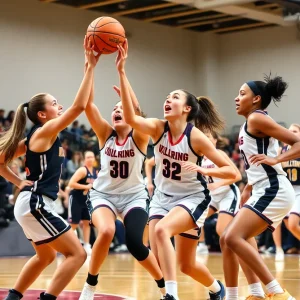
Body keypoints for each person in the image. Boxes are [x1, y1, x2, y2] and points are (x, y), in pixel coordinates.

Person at [116, 43, 236, 300]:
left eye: (174, 97)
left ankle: (170, 295)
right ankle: (217, 290)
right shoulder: (158, 128)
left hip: (192, 197)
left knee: (160, 232)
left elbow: (233, 172)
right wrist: (122, 72)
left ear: (187, 109)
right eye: (167, 97)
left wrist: (204, 171)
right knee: (185, 264)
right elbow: (131, 118)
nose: (168, 100)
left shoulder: (197, 138)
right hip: (162, 197)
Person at [0, 37, 100, 300]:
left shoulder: (36, 137)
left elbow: (1, 161)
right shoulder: (45, 131)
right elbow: (79, 106)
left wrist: (18, 181)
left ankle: (13, 297)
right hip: (36, 203)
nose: (60, 106)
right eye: (55, 103)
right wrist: (90, 67)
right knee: (77, 254)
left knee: (44, 255)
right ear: (42, 114)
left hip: (31, 202)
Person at [79, 41, 166, 300]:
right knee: (105, 232)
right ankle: (90, 285)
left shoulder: (140, 137)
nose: (117, 111)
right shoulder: (104, 134)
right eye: (114, 109)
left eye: (121, 109)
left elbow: (135, 112)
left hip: (133, 197)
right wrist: (90, 67)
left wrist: (122, 71)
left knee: (136, 245)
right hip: (103, 195)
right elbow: (87, 104)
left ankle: (164, 288)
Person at [220, 74, 299, 300]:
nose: (236, 98)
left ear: (256, 99)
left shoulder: (257, 118)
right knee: (228, 240)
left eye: (242, 94)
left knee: (234, 237)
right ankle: (249, 294)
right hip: (262, 188)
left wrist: (277, 160)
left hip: (274, 188)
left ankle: (277, 292)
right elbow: (254, 162)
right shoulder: (250, 123)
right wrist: (249, 186)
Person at [272, 123, 300, 262]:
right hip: (285, 189)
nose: (291, 133)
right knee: (275, 220)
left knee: (293, 224)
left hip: (299, 190)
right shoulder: (281, 150)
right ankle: (278, 250)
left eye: (295, 131)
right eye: (289, 131)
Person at [68, 150, 97, 255]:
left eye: (92, 157)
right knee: (74, 224)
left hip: (87, 200)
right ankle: (67, 245)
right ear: (84, 159)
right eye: (88, 157)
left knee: (86, 223)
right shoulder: (82, 170)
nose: (90, 159)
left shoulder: (96, 172)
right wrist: (86, 187)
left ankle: (87, 245)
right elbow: (71, 183)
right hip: (76, 198)